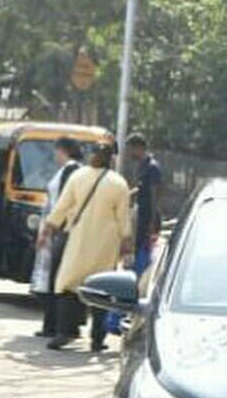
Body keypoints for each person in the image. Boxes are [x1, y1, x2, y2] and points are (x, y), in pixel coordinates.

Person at [42, 140, 131, 352]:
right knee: (101, 290)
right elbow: (124, 220)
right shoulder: (118, 183)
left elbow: (61, 208)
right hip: (105, 245)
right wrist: (126, 244)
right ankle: (96, 340)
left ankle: (65, 332)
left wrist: (48, 229)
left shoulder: (77, 177)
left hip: (79, 241)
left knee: (67, 284)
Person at [33, 137, 83, 338]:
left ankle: (53, 326)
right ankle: (63, 325)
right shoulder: (71, 171)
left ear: (63, 150)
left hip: (60, 231)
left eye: (57, 151)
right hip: (60, 229)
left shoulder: (70, 170)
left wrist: (50, 230)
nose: (55, 155)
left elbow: (63, 204)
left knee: (57, 279)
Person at [125, 133, 162, 278]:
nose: (129, 154)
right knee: (138, 246)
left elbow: (155, 195)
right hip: (141, 216)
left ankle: (143, 277)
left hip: (148, 218)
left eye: (131, 149)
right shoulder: (142, 166)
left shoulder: (152, 168)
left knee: (145, 250)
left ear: (139, 148)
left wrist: (153, 221)